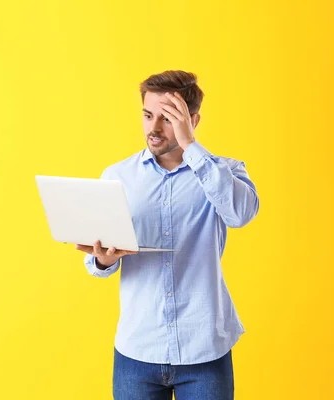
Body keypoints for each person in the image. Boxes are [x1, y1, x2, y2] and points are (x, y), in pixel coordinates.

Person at [75, 70, 260, 400]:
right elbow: (97, 262)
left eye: (168, 118)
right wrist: (102, 260)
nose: (154, 128)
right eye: (148, 115)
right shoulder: (117, 176)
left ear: (193, 120)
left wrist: (190, 146)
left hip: (204, 350)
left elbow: (240, 215)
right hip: (138, 350)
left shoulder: (225, 171)